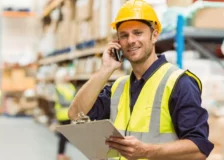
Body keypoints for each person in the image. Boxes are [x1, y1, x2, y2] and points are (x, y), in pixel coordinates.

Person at [68, 0, 214, 159]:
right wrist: (106, 69)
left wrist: (147, 151)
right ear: (118, 43)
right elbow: (76, 113)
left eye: (138, 33)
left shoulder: (178, 82)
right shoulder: (118, 87)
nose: (130, 40)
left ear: (154, 35)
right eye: (124, 35)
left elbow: (199, 149)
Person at [54, 68, 76, 160]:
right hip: (62, 115)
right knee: (63, 136)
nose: (68, 77)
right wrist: (73, 102)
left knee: (65, 135)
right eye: (66, 75)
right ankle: (60, 154)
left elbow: (76, 96)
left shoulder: (71, 86)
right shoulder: (59, 87)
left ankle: (62, 154)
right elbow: (63, 101)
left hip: (70, 113)